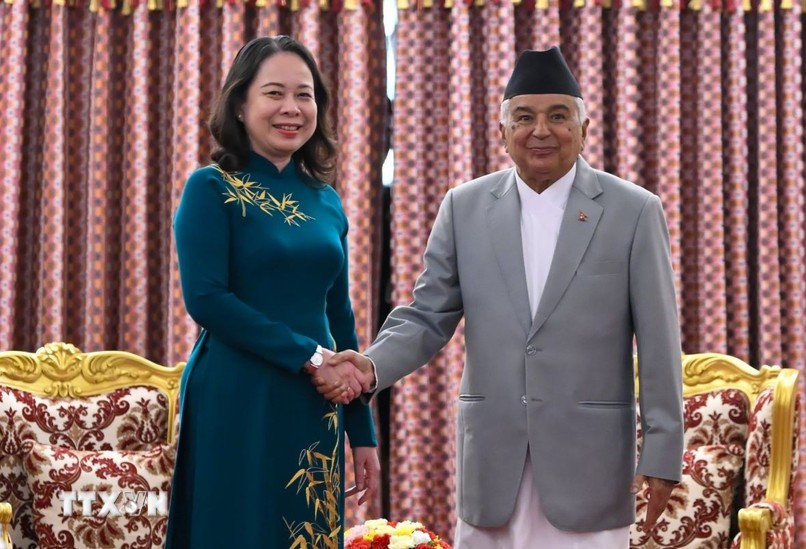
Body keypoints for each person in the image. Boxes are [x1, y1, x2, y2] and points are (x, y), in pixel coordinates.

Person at [322, 47, 683, 548]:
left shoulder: (633, 211)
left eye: (558, 116)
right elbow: (427, 315)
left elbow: (661, 340)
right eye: (524, 117)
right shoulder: (464, 206)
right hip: (494, 459)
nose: (541, 130)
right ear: (502, 133)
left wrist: (664, 452)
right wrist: (369, 366)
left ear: (584, 129)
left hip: (590, 462)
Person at [165, 35, 379, 548]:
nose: (291, 108)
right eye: (274, 93)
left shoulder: (326, 200)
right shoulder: (210, 188)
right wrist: (309, 357)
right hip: (237, 394)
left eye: (304, 95)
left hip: (314, 399)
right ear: (240, 104)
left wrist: (361, 429)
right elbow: (208, 300)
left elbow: (339, 315)